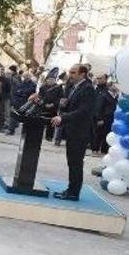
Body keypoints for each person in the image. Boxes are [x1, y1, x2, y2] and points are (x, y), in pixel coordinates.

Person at [33, 64, 96, 201]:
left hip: (80, 132)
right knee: (72, 162)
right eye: (70, 72)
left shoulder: (88, 89)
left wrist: (63, 117)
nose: (70, 75)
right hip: (72, 130)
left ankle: (74, 193)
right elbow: (72, 105)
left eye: (73, 72)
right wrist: (63, 104)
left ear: (83, 74)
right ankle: (71, 189)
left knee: (76, 163)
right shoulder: (74, 87)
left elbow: (84, 111)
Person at [91, 75, 117, 155]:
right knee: (98, 134)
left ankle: (104, 150)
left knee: (107, 135)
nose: (116, 87)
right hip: (103, 118)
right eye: (114, 85)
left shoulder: (116, 96)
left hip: (111, 119)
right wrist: (99, 118)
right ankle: (95, 149)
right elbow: (98, 107)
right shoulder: (104, 95)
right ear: (110, 86)